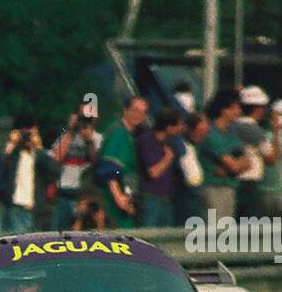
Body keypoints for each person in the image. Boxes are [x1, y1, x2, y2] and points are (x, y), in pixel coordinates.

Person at [198, 88, 248, 219]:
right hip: (213, 189)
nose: (239, 112)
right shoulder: (211, 134)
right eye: (236, 108)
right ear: (224, 110)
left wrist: (231, 169)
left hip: (229, 188)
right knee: (214, 231)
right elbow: (233, 165)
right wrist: (235, 167)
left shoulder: (231, 132)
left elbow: (247, 161)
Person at [98, 96, 147, 227]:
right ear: (125, 110)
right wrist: (118, 197)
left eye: (143, 113)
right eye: (135, 111)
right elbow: (110, 167)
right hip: (113, 201)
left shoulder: (130, 135)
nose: (139, 116)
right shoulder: (119, 133)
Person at [51, 106, 102, 229]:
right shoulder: (66, 136)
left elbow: (97, 162)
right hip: (65, 191)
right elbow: (57, 158)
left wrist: (89, 140)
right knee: (58, 230)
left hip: (84, 193)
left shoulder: (97, 137)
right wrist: (71, 132)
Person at [233, 86, 279, 218]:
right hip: (249, 182)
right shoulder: (254, 130)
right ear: (259, 108)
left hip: (236, 181)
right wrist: (276, 132)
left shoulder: (233, 126)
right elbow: (271, 158)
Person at [2, 113, 52, 233]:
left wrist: (39, 148)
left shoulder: (40, 155)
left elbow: (54, 172)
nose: (27, 138)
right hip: (16, 211)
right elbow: (0, 171)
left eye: (31, 134)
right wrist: (11, 145)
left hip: (37, 213)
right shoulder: (13, 155)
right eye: (25, 134)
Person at [136, 108, 183, 227]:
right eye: (178, 125)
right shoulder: (147, 141)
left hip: (167, 199)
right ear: (169, 126)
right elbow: (153, 172)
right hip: (151, 198)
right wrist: (167, 157)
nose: (180, 128)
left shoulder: (169, 144)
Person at [172, 112, 208, 225]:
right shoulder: (178, 144)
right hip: (184, 197)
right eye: (199, 134)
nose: (201, 138)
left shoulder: (194, 147)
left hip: (196, 197)